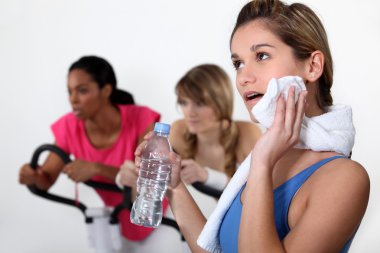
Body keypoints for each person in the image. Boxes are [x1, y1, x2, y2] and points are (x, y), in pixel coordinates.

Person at [134, 1, 370, 252]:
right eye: (238, 63)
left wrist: (262, 162)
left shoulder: (344, 178)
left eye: (262, 56)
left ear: (312, 67)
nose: (244, 77)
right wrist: (176, 187)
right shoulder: (265, 158)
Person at [18, 55, 169, 249]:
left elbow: (146, 179)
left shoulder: (140, 118)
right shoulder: (69, 127)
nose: (73, 99)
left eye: (82, 91)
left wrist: (97, 168)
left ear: (106, 90)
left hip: (162, 219)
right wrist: (32, 176)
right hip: (119, 224)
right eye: (69, 91)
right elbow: (45, 179)